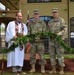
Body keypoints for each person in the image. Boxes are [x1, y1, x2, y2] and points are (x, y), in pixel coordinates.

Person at [48, 8, 67, 74]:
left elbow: (64, 30)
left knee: (60, 55)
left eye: (55, 12)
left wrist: (58, 34)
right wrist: (49, 34)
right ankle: (53, 69)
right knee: (52, 55)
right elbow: (48, 31)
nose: (54, 13)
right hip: (52, 41)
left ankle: (61, 69)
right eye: (53, 12)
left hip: (59, 41)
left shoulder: (61, 20)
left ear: (57, 13)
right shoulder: (50, 22)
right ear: (52, 13)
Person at [28, 9, 46, 73]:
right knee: (32, 55)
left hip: (40, 42)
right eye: (35, 14)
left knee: (42, 55)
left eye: (37, 14)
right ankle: (33, 68)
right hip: (33, 42)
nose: (36, 15)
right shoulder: (30, 23)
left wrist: (42, 35)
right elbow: (29, 32)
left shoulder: (42, 23)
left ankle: (42, 69)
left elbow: (45, 32)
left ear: (39, 15)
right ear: (34, 15)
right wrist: (29, 38)